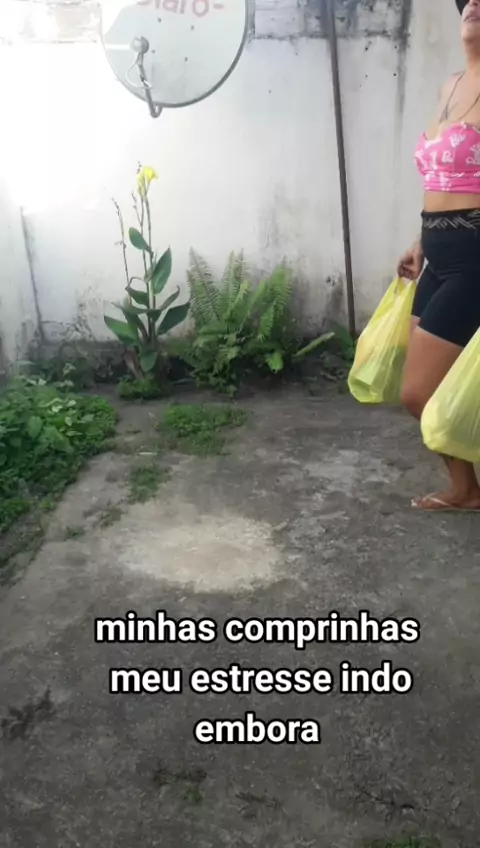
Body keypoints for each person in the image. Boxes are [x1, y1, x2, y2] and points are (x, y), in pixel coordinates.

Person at [398, 0, 480, 511]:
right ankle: (466, 489)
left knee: (418, 392)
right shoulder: (450, 85)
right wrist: (421, 241)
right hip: (438, 252)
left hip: (474, 257)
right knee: (443, 386)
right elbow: (440, 178)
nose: (473, 4)